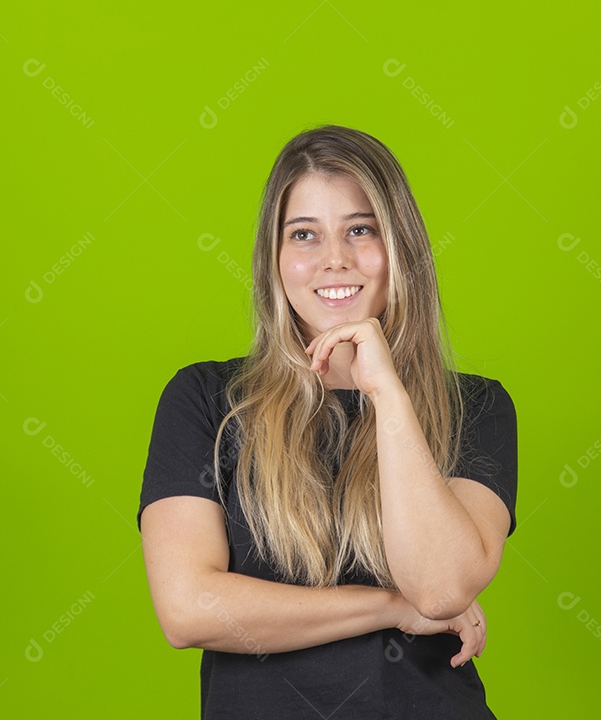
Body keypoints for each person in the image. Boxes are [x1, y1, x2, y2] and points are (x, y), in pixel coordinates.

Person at [137, 124, 518, 719]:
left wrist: (387, 393)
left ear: (400, 249)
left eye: (360, 230)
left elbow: (442, 588)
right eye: (304, 235)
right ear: (276, 259)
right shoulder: (207, 400)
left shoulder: (476, 407)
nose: (334, 259)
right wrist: (390, 606)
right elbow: (188, 608)